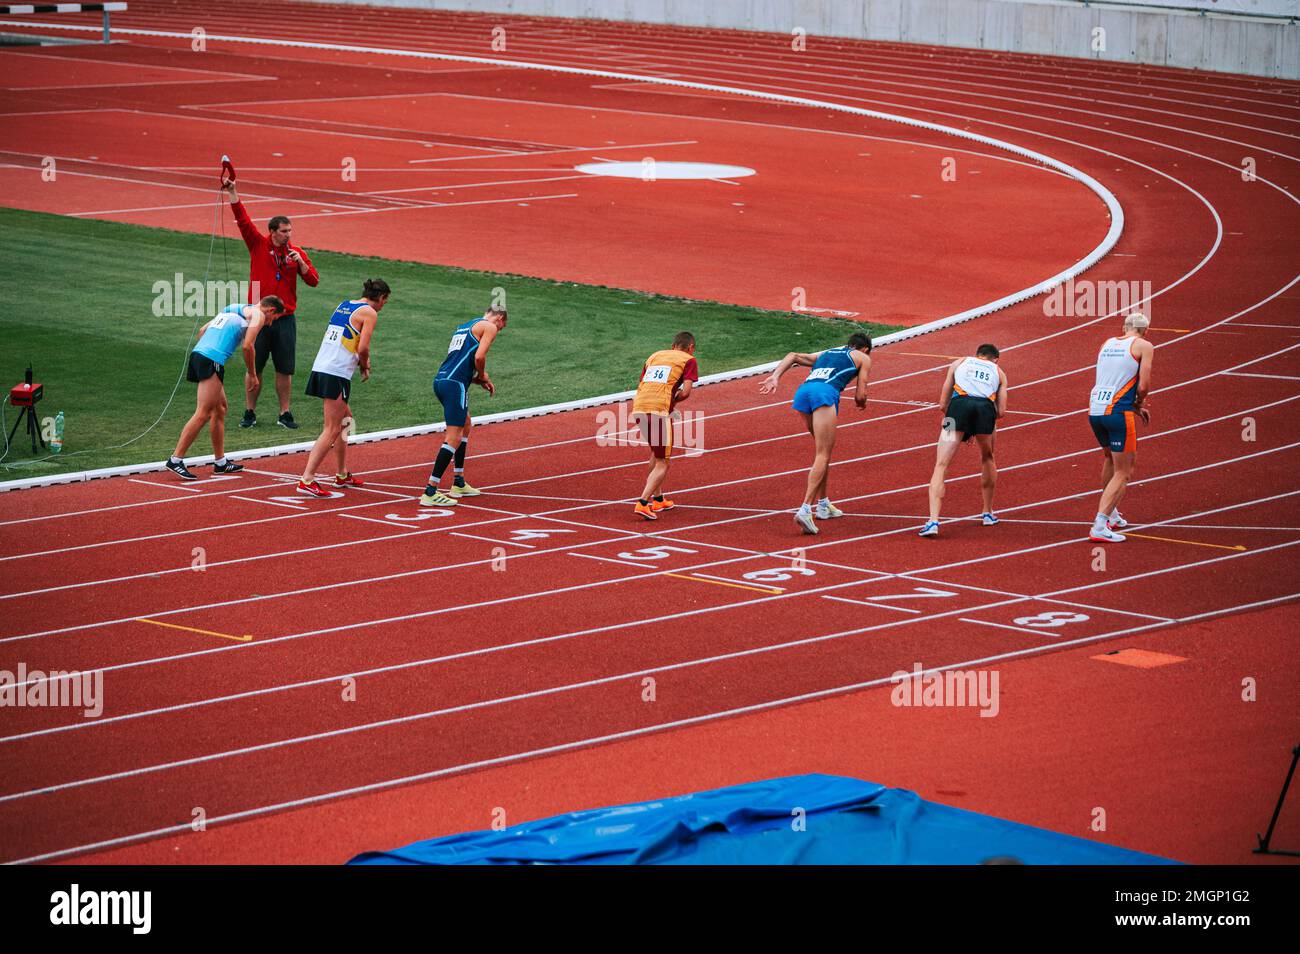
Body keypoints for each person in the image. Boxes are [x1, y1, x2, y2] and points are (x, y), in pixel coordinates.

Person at [221, 174, 319, 431]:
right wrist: (233, 193)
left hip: (285, 319)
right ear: (273, 232)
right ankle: (249, 411)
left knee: (284, 369)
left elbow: (314, 281)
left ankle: (284, 412)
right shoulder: (257, 245)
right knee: (255, 366)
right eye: (284, 231)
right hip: (258, 317)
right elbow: (243, 221)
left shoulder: (296, 254)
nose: (289, 235)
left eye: (290, 231)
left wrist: (300, 264)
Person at [760, 332, 872, 535]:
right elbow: (860, 395)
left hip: (804, 393)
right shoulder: (863, 357)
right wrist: (863, 403)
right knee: (823, 454)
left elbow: (793, 355)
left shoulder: (827, 352)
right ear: (864, 349)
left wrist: (775, 377)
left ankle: (823, 504)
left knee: (822, 451)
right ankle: (805, 509)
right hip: (824, 393)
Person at [166, 296, 286, 480]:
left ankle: (220, 462)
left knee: (220, 409)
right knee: (203, 412)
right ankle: (176, 459)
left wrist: (209, 348)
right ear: (270, 310)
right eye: (274, 318)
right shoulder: (259, 315)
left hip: (201, 356)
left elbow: (203, 330)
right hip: (211, 359)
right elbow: (248, 346)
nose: (270, 323)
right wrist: (253, 374)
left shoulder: (233, 307)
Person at [296, 280, 390, 498]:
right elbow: (364, 346)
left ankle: (341, 474)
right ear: (382, 297)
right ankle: (307, 479)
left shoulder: (345, 304)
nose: (384, 305)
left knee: (346, 421)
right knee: (331, 428)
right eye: (386, 301)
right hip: (336, 372)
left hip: (323, 367)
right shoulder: (369, 313)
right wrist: (365, 365)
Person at [419, 306, 507, 507]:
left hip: (441, 381)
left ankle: (458, 482)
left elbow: (460, 361)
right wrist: (483, 375)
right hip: (454, 385)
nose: (499, 331)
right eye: (502, 327)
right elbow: (479, 357)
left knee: (465, 423)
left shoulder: (464, 327)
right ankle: (430, 491)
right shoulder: (489, 327)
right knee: (454, 436)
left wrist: (476, 380)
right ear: (499, 318)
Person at [919, 344, 1008, 537]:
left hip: (956, 410)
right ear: (995, 359)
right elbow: (1001, 411)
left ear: (977, 355)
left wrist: (959, 424)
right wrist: (975, 426)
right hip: (984, 410)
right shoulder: (999, 372)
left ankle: (933, 521)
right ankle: (987, 513)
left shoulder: (959, 362)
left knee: (941, 465)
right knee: (988, 457)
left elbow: (943, 403)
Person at [1087, 312, 1154, 542]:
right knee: (1124, 471)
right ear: (1146, 330)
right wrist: (1138, 403)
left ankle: (1112, 515)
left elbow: (1109, 379)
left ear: (1124, 327)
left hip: (1095, 409)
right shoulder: (1144, 346)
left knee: (1109, 459)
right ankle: (1100, 524)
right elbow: (1143, 385)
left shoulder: (1107, 344)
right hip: (1117, 413)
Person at [629, 332, 699, 520]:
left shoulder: (654, 356)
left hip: (639, 406)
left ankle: (658, 499)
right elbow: (686, 392)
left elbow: (643, 383)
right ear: (691, 347)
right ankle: (643, 503)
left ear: (673, 345)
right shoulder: (689, 360)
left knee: (656, 452)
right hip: (659, 410)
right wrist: (671, 403)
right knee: (663, 462)